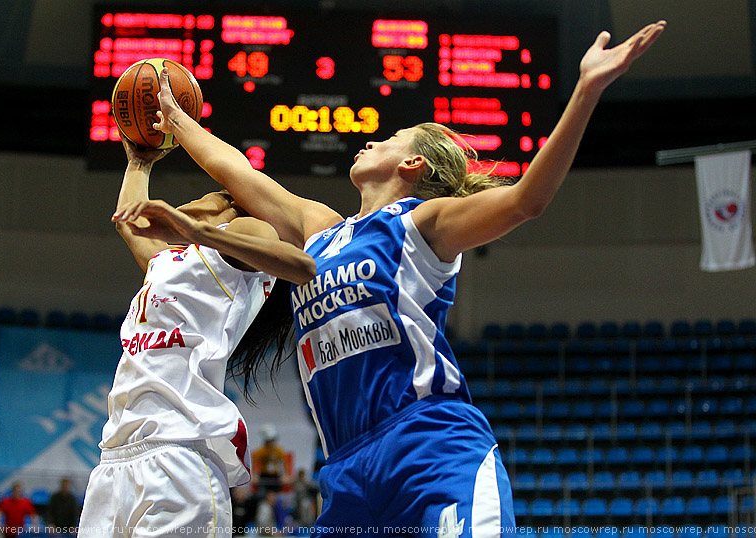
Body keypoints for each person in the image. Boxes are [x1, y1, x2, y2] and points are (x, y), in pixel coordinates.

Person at [150, 20, 666, 537]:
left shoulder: (425, 224)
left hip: (430, 448)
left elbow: (526, 200)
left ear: (413, 162)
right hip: (346, 470)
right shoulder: (321, 230)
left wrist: (586, 89)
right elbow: (236, 169)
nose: (372, 139)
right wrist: (174, 117)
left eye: (390, 139)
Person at [76, 138, 315, 538]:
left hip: (179, 450)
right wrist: (139, 162)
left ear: (228, 202)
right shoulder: (169, 260)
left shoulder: (244, 229)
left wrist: (196, 228)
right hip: (115, 455)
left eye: (211, 195)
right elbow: (128, 223)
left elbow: (300, 265)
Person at [251, 423, 290, 494]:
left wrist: (286, 475)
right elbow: (254, 462)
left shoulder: (279, 451)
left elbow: (284, 462)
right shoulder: (260, 451)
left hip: (276, 476)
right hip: (264, 475)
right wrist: (254, 475)